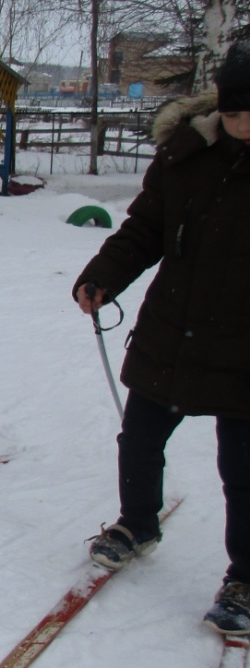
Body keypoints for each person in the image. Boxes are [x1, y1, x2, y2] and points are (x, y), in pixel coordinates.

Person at [74, 41, 250, 636]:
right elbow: (145, 228)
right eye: (234, 113)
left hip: (245, 345)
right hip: (174, 329)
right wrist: (102, 276)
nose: (243, 125)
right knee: (140, 437)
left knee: (243, 467)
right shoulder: (187, 155)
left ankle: (245, 578)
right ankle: (137, 523)